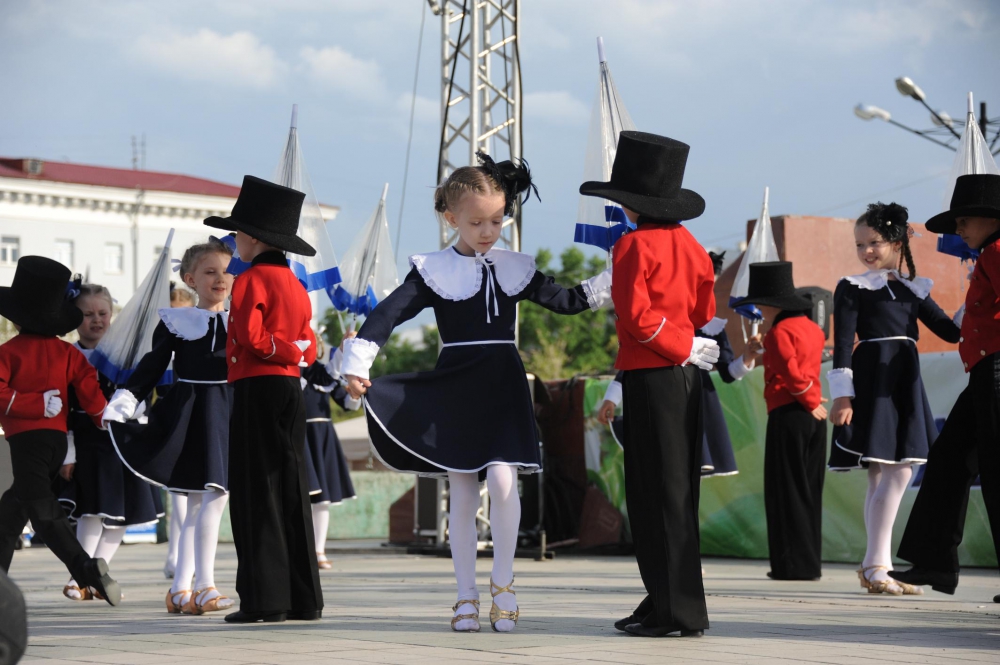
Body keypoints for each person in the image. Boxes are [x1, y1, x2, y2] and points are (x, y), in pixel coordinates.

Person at [343, 152, 612, 633]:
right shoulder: (433, 270)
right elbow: (388, 314)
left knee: (505, 483)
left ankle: (503, 584)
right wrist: (357, 363)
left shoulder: (515, 267)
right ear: (451, 219)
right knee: (463, 492)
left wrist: (617, 273)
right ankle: (465, 594)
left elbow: (569, 301)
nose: (489, 231)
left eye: (497, 220)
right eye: (477, 222)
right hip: (457, 385)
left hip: (503, 383)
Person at [580, 131, 718, 638]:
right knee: (677, 494)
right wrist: (685, 345)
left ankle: (673, 611)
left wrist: (675, 345)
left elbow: (636, 318)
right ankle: (666, 598)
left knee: (651, 494)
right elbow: (703, 311)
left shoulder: (632, 245)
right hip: (686, 377)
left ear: (631, 203)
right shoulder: (694, 246)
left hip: (651, 373)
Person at [826, 203, 960, 596]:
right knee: (896, 471)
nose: (866, 251)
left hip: (903, 381)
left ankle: (876, 567)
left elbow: (951, 332)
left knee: (887, 473)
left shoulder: (913, 287)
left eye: (874, 243)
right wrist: (843, 395)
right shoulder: (852, 286)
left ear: (897, 243)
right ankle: (877, 565)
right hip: (873, 379)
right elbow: (843, 343)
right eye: (860, 245)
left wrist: (975, 301)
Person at [203, 175, 321, 624]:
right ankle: (304, 599)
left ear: (252, 237)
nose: (234, 242)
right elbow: (309, 343)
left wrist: (284, 351)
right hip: (290, 389)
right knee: (290, 486)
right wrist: (294, 354)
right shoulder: (295, 283)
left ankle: (264, 600)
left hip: (258, 385)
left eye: (236, 234)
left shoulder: (252, 279)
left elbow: (251, 337)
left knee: (256, 491)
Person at [103, 238, 236, 615]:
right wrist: (125, 400)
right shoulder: (177, 322)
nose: (220, 278)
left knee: (203, 502)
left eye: (226, 271)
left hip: (228, 413)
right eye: (209, 272)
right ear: (190, 280)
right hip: (191, 415)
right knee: (207, 499)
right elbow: (151, 365)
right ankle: (204, 587)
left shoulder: (242, 322)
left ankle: (180, 590)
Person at [889, 174, 1000, 599]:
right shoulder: (990, 253)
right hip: (985, 371)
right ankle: (935, 561)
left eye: (964, 219)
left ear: (991, 218)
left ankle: (935, 560)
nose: (959, 229)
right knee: (950, 458)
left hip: (996, 369)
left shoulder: (998, 251)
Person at [0, 256, 120, 605]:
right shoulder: (68, 353)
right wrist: (103, 417)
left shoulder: (7, 352)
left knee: (42, 511)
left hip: (27, 441)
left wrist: (33, 403)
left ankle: (86, 569)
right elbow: (90, 391)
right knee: (11, 512)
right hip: (56, 443)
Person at [597, 250, 761, 479]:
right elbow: (637, 357)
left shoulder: (712, 326)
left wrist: (748, 357)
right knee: (663, 467)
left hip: (697, 400)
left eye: (708, 286)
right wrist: (612, 397)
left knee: (686, 474)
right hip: (662, 393)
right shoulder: (660, 318)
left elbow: (728, 374)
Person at [60, 283, 162, 601]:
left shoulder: (126, 355)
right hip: (88, 444)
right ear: (74, 318)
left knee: (119, 518)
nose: (96, 320)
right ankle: (78, 577)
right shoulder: (69, 355)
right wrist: (68, 452)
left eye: (103, 313)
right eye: (87, 314)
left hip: (123, 443)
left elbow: (142, 393)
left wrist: (137, 410)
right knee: (91, 512)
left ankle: (94, 579)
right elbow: (64, 411)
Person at [732, 261, 827, 582]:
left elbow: (789, 370)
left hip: (790, 412)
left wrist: (808, 399)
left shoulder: (779, 332)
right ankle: (808, 564)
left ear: (772, 304)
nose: (758, 310)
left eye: (760, 303)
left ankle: (791, 566)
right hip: (811, 414)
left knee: (785, 491)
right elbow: (802, 364)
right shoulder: (812, 328)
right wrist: (812, 400)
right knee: (809, 490)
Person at [300, 333, 360, 571]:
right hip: (299, 436)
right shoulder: (292, 371)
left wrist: (355, 394)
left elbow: (346, 403)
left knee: (322, 500)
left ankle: (318, 550)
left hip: (323, 438)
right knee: (298, 497)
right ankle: (299, 551)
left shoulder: (325, 374)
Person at [164, 281, 192, 580]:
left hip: (194, 422)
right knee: (178, 497)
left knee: (189, 497)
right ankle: (176, 557)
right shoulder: (163, 346)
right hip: (171, 425)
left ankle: (179, 558)